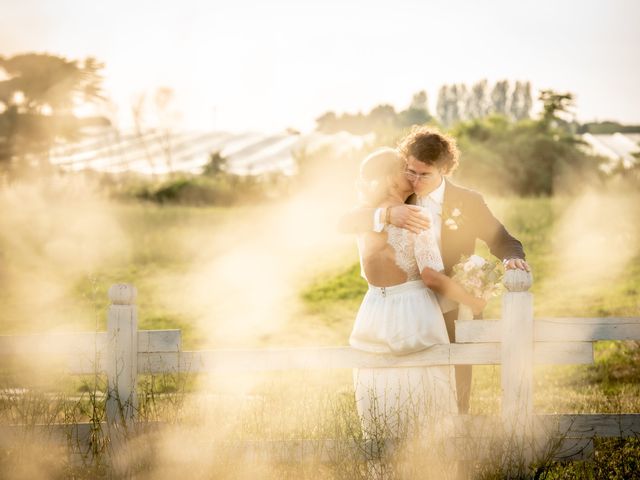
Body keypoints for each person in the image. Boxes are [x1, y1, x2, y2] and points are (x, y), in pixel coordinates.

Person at [342, 126, 530, 414]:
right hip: (413, 304)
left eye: (423, 174)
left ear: (444, 170)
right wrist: (388, 214)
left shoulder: (468, 201)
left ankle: (456, 439)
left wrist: (510, 259)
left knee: (454, 384)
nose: (414, 180)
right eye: (410, 171)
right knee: (404, 384)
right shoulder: (400, 197)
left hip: (453, 305)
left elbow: (501, 238)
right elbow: (350, 219)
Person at [348, 147, 487, 444]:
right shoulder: (415, 215)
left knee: (381, 392)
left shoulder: (367, 218)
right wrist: (472, 299)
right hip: (414, 309)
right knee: (426, 393)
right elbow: (431, 276)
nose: (411, 175)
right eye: (405, 170)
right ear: (389, 178)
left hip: (375, 307)